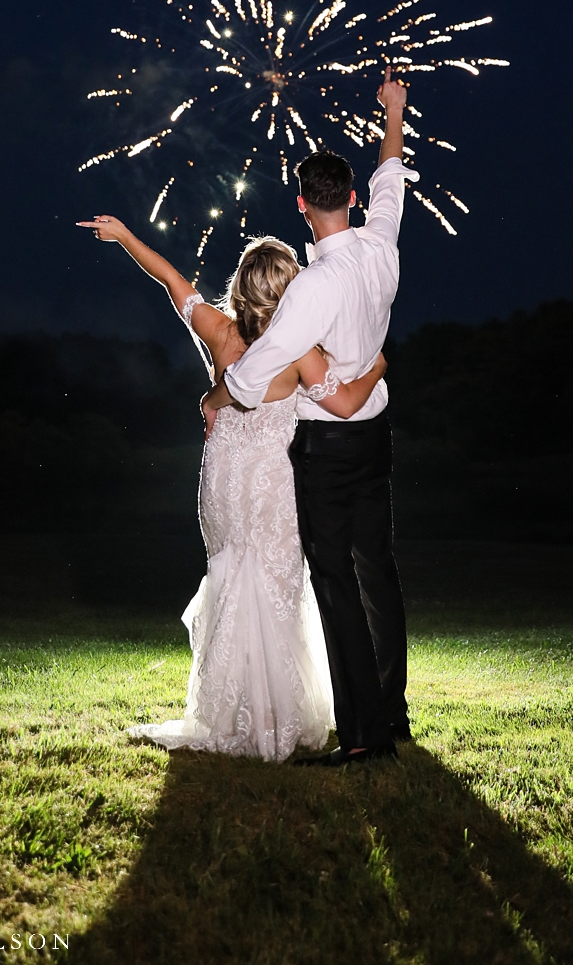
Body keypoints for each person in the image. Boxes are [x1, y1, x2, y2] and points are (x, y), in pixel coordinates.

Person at [74, 215, 388, 761]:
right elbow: (346, 401)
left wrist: (125, 237)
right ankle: (272, 715)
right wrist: (377, 364)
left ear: (241, 286)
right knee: (273, 583)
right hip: (273, 477)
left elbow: (172, 281)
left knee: (233, 574)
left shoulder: (220, 333)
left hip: (222, 474)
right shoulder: (302, 350)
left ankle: (230, 711)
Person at [201, 67, 416, 765]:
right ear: (349, 199)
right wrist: (393, 109)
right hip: (376, 435)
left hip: (326, 446)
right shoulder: (382, 246)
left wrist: (221, 392)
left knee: (337, 587)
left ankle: (362, 737)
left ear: (302, 206)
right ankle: (393, 710)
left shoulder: (310, 288)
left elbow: (256, 374)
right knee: (378, 574)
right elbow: (392, 175)